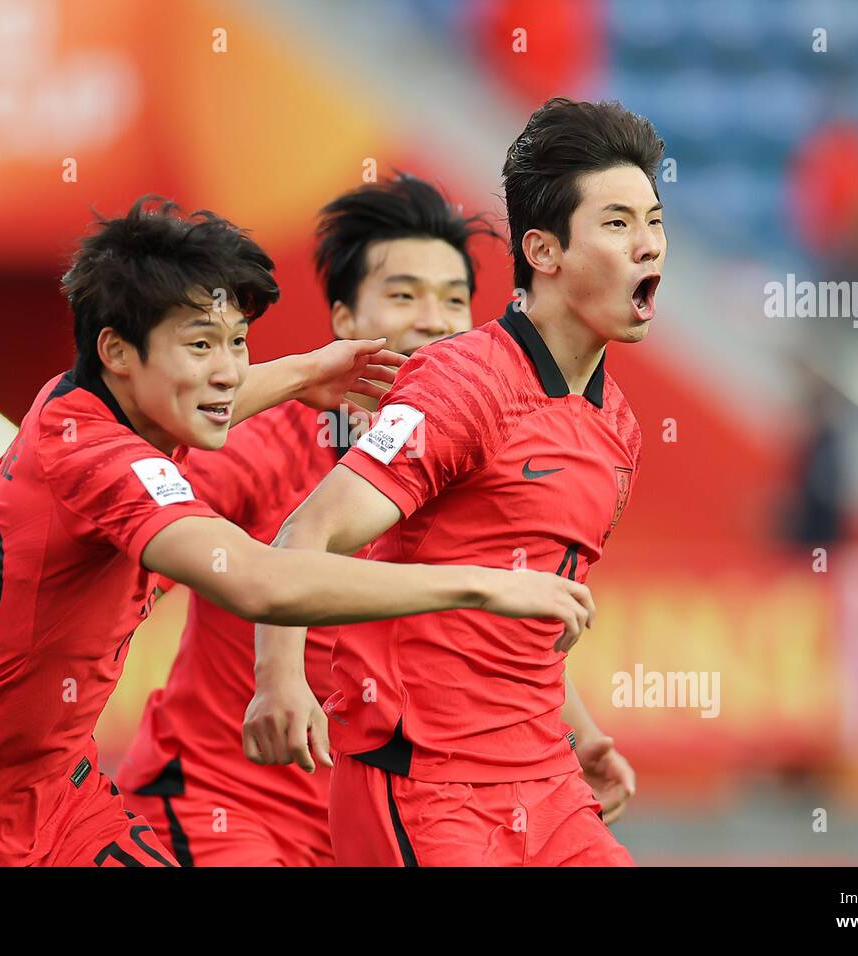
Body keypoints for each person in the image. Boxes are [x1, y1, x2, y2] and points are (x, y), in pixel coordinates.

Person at [0, 197, 596, 867]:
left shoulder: (98, 403)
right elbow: (260, 580)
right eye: (202, 345)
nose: (227, 370)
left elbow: (196, 396)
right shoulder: (98, 459)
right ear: (117, 352)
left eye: (236, 343)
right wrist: (485, 586)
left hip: (59, 807)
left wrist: (298, 371)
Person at [119, 174, 624, 866]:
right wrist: (280, 677)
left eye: (454, 300)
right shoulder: (264, 448)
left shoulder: (467, 458)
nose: (434, 320)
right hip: (230, 806)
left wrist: (582, 733)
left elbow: (480, 634)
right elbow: (129, 473)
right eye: (404, 295)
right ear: (346, 323)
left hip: (376, 818)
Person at [245, 98, 663, 867]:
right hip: (425, 781)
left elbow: (523, 608)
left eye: (655, 222)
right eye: (617, 224)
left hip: (546, 776)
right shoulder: (465, 381)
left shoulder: (621, 428)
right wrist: (279, 680)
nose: (647, 246)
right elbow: (305, 535)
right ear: (544, 251)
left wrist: (584, 733)